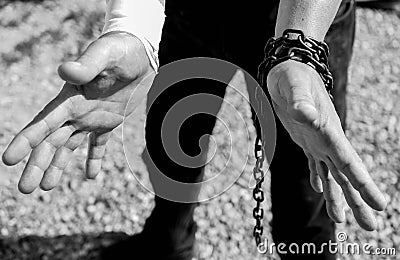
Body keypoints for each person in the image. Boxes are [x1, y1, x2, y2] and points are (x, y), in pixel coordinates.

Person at [2, 0, 387, 259]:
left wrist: (297, 46)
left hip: (300, 15)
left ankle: (309, 251)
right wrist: (133, 26)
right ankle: (168, 240)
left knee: (304, 168)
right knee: (174, 131)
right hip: (192, 8)